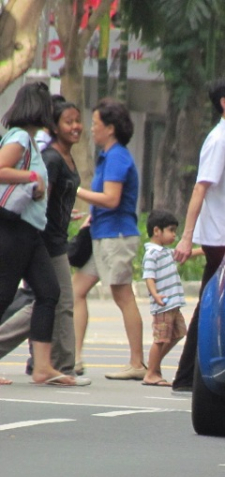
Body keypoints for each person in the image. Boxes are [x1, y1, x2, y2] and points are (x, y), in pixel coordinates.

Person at [0, 82, 86, 386]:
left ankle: (43, 367)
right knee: (4, 294)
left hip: (30, 230)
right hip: (13, 228)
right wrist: (32, 177)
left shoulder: (31, 141)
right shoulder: (21, 137)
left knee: (49, 291)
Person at [170, 75, 225, 392]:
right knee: (211, 305)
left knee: (212, 305)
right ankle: (187, 375)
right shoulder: (219, 140)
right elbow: (200, 189)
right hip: (220, 238)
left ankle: (189, 374)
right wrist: (187, 236)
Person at [73, 98, 145, 381]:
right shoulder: (107, 155)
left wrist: (76, 191)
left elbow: (112, 199)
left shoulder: (117, 157)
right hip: (102, 233)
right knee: (76, 290)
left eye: (96, 124)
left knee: (122, 294)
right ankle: (75, 358)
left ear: (110, 128)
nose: (91, 129)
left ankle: (137, 362)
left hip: (116, 235)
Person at [142, 210, 187, 387]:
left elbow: (185, 254)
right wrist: (155, 294)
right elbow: (149, 277)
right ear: (156, 231)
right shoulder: (152, 254)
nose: (174, 235)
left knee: (178, 333)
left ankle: (153, 366)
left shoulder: (165, 252)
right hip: (163, 304)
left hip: (173, 305)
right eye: (171, 230)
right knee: (160, 339)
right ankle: (151, 373)